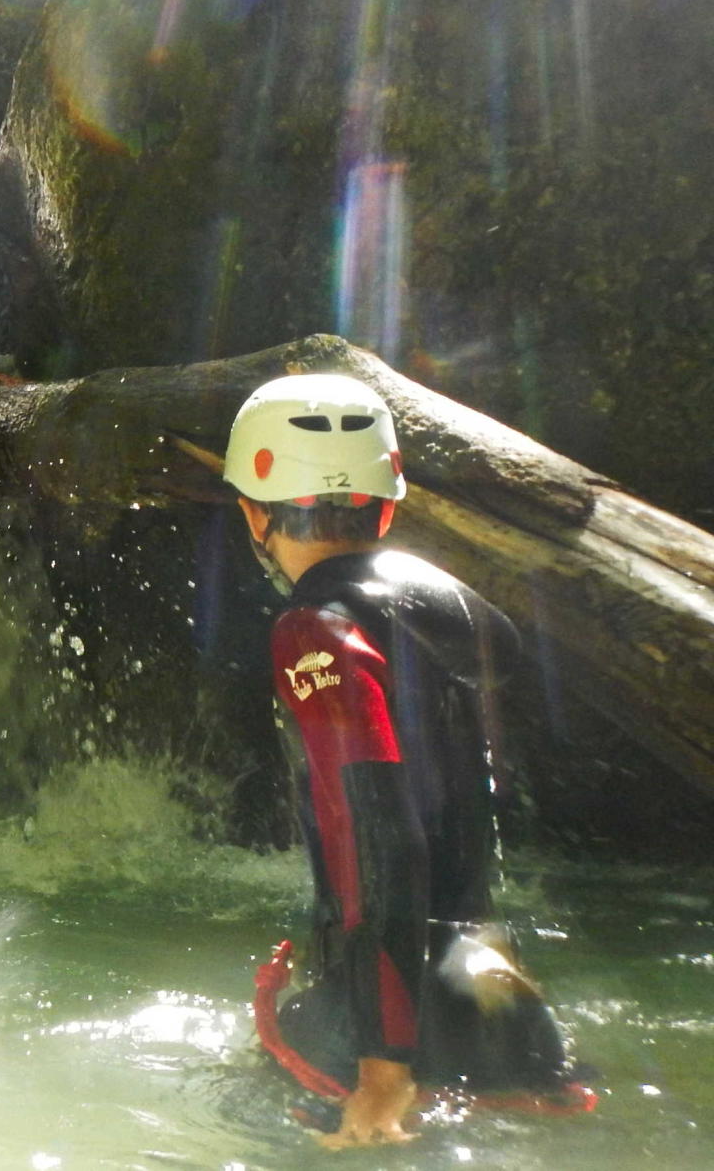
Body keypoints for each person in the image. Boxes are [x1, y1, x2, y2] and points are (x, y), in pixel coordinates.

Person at [224, 374, 578, 1149]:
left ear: (255, 511)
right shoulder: (462, 609)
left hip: (392, 1034)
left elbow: (377, 833)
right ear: (388, 502)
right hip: (499, 1000)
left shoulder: (311, 630)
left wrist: (383, 1067)